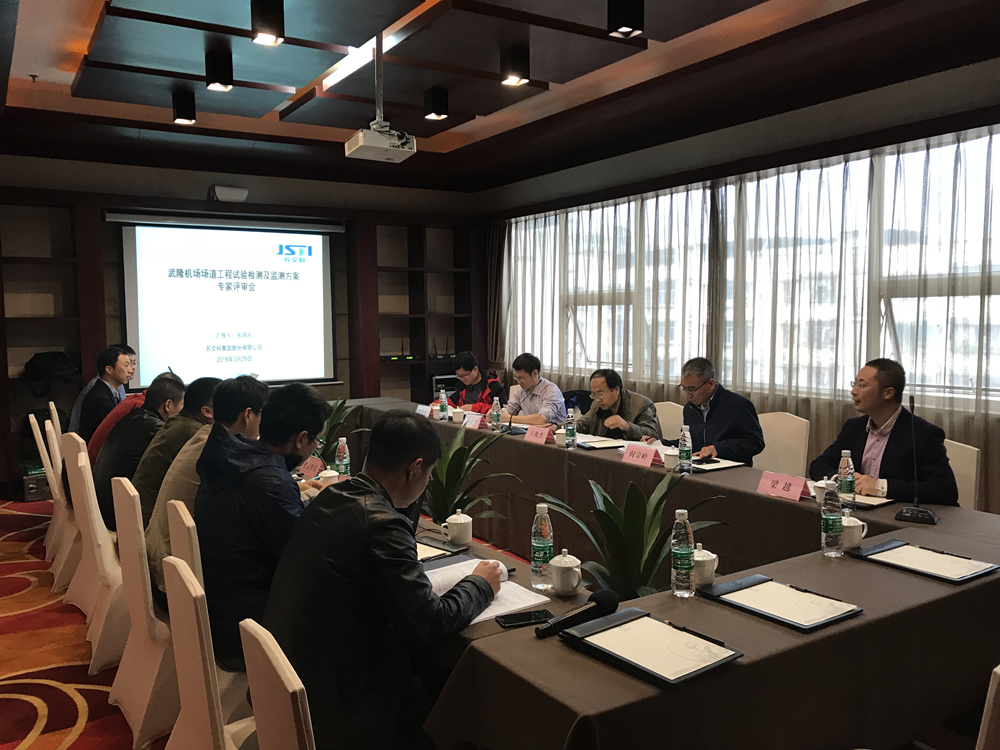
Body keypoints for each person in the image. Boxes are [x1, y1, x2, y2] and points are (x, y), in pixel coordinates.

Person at [263, 410, 500, 750]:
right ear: (414, 468)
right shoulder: (382, 523)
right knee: (458, 700)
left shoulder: (333, 496)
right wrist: (480, 583)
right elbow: (431, 622)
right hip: (340, 707)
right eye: (427, 475)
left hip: (295, 676)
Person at [195, 382, 332, 670]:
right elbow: (305, 560)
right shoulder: (269, 482)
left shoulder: (234, 457)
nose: (314, 449)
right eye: (317, 442)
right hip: (250, 627)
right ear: (301, 439)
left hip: (225, 607)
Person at [145, 376, 270, 612]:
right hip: (178, 583)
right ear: (248, 415)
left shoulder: (206, 436)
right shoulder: (223, 451)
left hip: (161, 565)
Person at [809, 358, 958, 505]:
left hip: (896, 515)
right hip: (855, 509)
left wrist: (879, 487)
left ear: (888, 393)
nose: (853, 391)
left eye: (861, 385)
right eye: (854, 384)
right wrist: (839, 480)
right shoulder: (854, 427)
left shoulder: (922, 434)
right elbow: (819, 464)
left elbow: (946, 489)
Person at [93, 375, 186, 530]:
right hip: (119, 516)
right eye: (182, 405)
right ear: (168, 405)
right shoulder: (155, 429)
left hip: (103, 504)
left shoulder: (135, 416)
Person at [131, 377, 221, 528]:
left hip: (139, 516)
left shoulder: (178, 422)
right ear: (207, 411)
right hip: (152, 524)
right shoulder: (196, 433)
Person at [644, 357, 765, 465]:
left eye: (692, 389)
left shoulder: (738, 405)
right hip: (700, 468)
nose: (687, 394)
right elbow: (691, 443)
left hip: (732, 471)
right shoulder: (690, 408)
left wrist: (718, 448)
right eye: (683, 388)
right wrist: (660, 443)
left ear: (710, 384)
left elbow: (755, 442)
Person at [87, 372, 183, 465]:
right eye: (182, 404)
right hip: (99, 469)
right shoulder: (150, 424)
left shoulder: (137, 411)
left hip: (98, 469)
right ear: (168, 405)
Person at [578, 368, 661, 440]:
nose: (597, 399)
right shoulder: (596, 405)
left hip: (631, 451)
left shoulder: (642, 404)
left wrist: (627, 426)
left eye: (600, 394)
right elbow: (581, 425)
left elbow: (654, 435)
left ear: (616, 390)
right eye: (594, 394)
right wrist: (570, 427)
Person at [69, 343, 135, 434]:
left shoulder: (110, 391)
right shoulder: (99, 398)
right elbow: (112, 433)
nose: (131, 370)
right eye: (126, 365)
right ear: (109, 370)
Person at [501, 352, 568, 426]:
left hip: (553, 432)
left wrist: (509, 418)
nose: (518, 382)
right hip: (530, 431)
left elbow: (541, 419)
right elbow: (508, 410)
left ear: (535, 373)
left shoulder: (552, 390)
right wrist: (497, 414)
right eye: (516, 378)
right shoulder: (521, 390)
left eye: (521, 378)